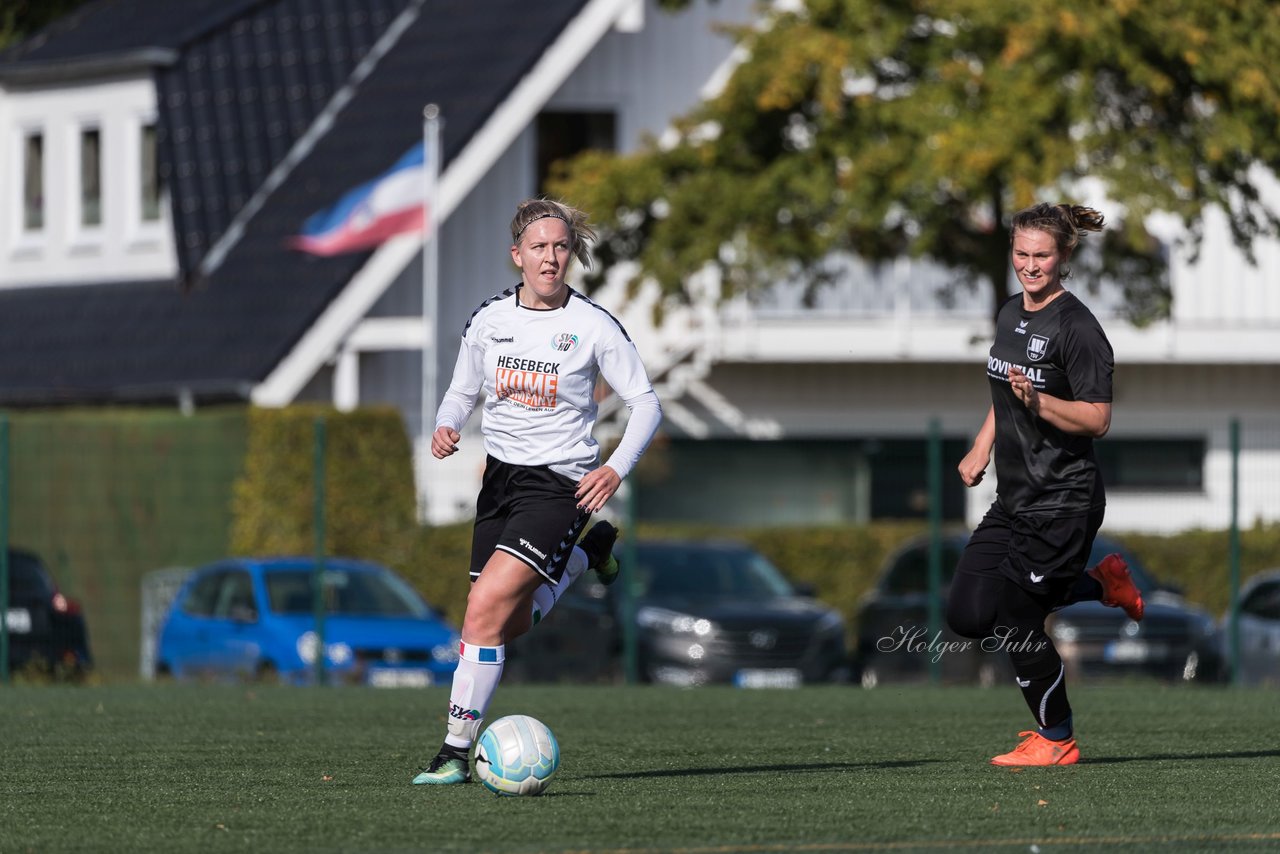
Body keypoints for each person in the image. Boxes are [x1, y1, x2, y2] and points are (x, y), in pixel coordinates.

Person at [413, 198, 662, 785]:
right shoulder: (491, 319)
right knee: (505, 623)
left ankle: (454, 750)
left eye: (561, 247)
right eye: (540, 247)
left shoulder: (594, 326)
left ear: (571, 253)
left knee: (481, 610)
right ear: (517, 255)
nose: (551, 258)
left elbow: (646, 404)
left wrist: (617, 467)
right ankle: (583, 558)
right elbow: (461, 391)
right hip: (500, 481)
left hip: (560, 486)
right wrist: (448, 424)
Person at [945, 202, 1145, 767]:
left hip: (1064, 501)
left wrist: (1041, 402)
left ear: (1063, 258)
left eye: (1042, 256)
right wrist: (982, 445)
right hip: (1015, 499)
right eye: (1021, 254)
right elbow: (1003, 391)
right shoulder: (1010, 313)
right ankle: (1101, 586)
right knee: (966, 614)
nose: (1030, 265)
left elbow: (1098, 419)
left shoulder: (1078, 328)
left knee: (1016, 617)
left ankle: (1056, 739)